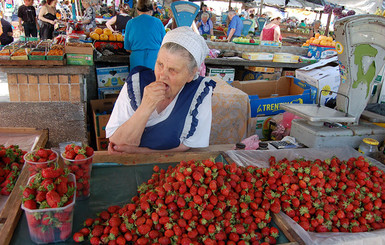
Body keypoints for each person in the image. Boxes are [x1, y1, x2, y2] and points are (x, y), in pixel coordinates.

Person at [106, 26, 216, 154]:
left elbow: (188, 144)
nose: (162, 75)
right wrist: (146, 105)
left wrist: (140, 152)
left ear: (191, 74)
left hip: (169, 167)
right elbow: (117, 143)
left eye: (173, 70)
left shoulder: (199, 93)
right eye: (160, 64)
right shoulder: (136, 83)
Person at [124, 0, 165, 71]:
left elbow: (127, 48)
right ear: (151, 11)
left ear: (137, 10)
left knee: (137, 80)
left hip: (136, 60)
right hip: (155, 59)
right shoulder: (158, 22)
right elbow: (164, 43)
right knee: (154, 81)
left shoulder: (130, 23)